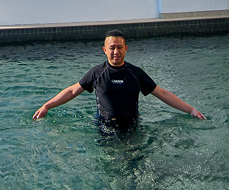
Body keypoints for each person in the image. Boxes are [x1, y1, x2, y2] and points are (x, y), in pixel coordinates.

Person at [33, 30, 205, 130]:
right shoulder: (97, 73)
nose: (116, 52)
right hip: (105, 126)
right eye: (112, 48)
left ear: (126, 49)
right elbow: (72, 91)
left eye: (119, 48)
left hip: (132, 126)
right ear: (104, 50)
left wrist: (190, 110)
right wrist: (47, 105)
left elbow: (162, 93)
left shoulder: (135, 73)